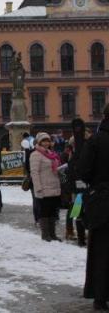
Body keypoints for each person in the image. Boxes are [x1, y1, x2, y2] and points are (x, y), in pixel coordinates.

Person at [79, 104, 109, 311]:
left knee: (101, 249)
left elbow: (83, 170)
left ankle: (100, 295)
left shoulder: (96, 140)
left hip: (102, 201)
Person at [30, 132, 62, 242]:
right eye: (44, 140)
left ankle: (53, 234)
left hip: (55, 186)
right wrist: (38, 188)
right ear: (39, 142)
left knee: (53, 211)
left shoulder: (52, 153)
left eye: (48, 140)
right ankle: (45, 234)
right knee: (44, 211)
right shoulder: (35, 154)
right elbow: (34, 172)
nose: (46, 143)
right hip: (44, 187)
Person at [67, 119, 88, 246]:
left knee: (83, 212)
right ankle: (80, 238)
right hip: (77, 189)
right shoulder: (72, 156)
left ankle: (83, 237)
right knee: (77, 212)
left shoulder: (83, 151)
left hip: (86, 187)